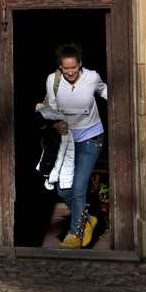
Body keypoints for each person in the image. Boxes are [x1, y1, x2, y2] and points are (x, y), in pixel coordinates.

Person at [41, 42, 107, 249]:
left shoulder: (92, 77)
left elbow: (107, 93)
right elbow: (51, 108)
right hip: (66, 141)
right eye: (66, 68)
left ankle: (74, 234)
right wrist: (56, 122)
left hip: (91, 139)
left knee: (78, 188)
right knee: (62, 189)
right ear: (60, 67)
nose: (70, 72)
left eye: (74, 67)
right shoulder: (53, 80)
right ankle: (87, 221)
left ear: (80, 64)